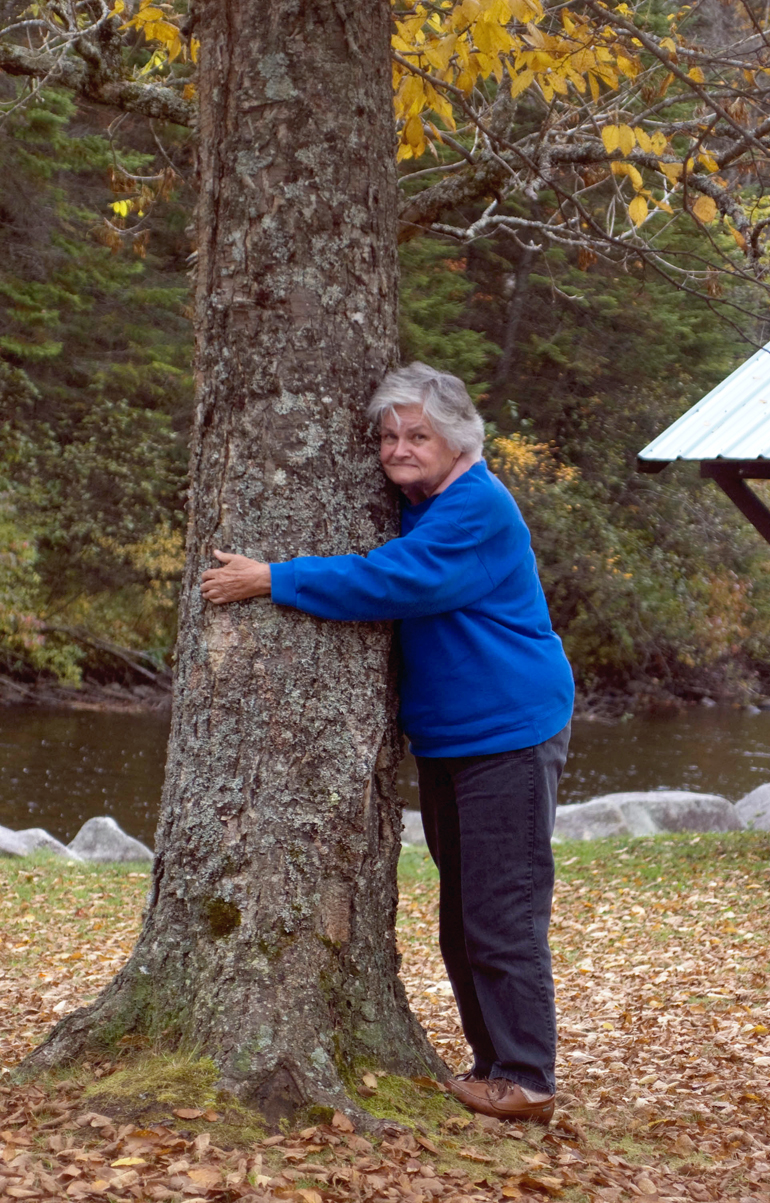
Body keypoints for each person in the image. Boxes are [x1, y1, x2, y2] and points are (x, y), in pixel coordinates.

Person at [201, 362, 574, 1123]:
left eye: (418, 436)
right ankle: (495, 1066)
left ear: (458, 439)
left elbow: (394, 581)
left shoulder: (476, 507)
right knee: (464, 917)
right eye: (389, 436)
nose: (399, 449)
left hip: (508, 731)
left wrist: (274, 578)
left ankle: (528, 1077)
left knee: (501, 912)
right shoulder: (422, 503)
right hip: (453, 737)